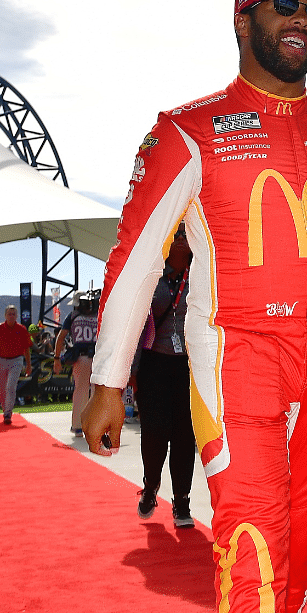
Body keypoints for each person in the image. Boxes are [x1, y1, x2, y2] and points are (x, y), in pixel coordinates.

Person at [82, 0, 307, 613]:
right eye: (284, 6)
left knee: (302, 538)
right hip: (237, 358)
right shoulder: (186, 128)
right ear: (242, 20)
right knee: (253, 537)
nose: (301, 20)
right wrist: (108, 379)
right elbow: (137, 257)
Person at [132, 224, 196, 528]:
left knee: (185, 436)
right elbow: (136, 321)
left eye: (187, 234)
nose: (182, 238)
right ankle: (150, 486)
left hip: (188, 366)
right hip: (154, 365)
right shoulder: (152, 274)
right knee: (155, 433)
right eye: (177, 234)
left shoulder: (202, 274)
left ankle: (182, 501)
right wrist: (130, 372)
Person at [53, 290, 99, 436]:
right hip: (99, 358)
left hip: (81, 357)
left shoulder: (73, 316)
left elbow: (61, 337)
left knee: (80, 391)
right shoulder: (98, 316)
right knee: (96, 392)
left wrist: (56, 358)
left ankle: (78, 427)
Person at [0, 305, 31, 425]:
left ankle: (8, 412)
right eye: (9, 314)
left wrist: (28, 364)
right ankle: (5, 410)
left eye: (14, 314)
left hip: (16, 360)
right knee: (1, 388)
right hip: (0, 360)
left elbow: (26, 348)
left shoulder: (22, 329)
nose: (11, 316)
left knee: (11, 386)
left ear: (17, 316)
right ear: (5, 315)